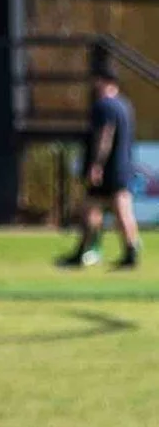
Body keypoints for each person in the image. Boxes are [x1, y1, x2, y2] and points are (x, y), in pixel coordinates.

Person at [61, 63, 142, 271]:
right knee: (119, 209)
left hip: (108, 168)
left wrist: (96, 164)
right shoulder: (126, 105)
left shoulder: (103, 106)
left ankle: (84, 251)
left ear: (102, 81)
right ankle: (130, 251)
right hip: (123, 165)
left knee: (93, 208)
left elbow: (105, 135)